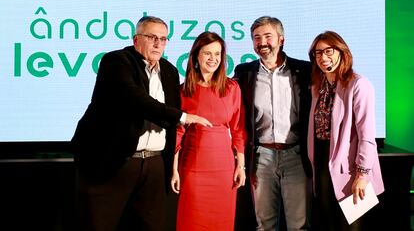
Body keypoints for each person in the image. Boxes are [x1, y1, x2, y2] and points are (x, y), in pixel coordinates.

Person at [71, 16, 211, 231]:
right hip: (115, 161)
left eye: (163, 39)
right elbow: (136, 100)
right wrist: (182, 116)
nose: (158, 43)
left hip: (153, 165)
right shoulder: (116, 62)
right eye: (152, 37)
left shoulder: (169, 71)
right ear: (136, 39)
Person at [234, 16, 312, 231]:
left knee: (299, 225)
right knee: (264, 225)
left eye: (268, 36)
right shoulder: (244, 72)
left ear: (281, 39)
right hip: (261, 156)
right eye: (256, 38)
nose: (262, 42)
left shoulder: (304, 70)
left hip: (296, 155)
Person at [307, 31, 384, 231]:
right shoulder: (318, 86)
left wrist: (363, 175)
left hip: (351, 168)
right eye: (318, 53)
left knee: (350, 226)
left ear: (341, 52)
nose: (323, 57)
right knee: (329, 223)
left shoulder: (358, 84)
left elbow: (367, 136)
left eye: (329, 51)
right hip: (323, 163)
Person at [170, 31, 247, 230]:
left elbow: (238, 130)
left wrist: (241, 166)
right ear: (196, 56)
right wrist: (174, 170)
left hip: (224, 169)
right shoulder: (183, 91)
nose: (213, 59)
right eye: (207, 53)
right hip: (193, 168)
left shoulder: (232, 88)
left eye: (218, 54)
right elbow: (177, 134)